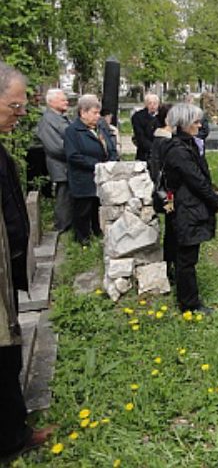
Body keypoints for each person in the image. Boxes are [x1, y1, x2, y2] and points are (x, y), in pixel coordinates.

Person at [0, 61, 56, 460]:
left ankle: (12, 433)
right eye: (14, 107)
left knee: (7, 358)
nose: (20, 116)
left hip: (7, 273)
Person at [162, 103, 218, 313]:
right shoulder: (179, 150)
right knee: (186, 258)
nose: (199, 125)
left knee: (186, 255)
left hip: (188, 206)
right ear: (184, 124)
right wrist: (215, 201)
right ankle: (189, 304)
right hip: (186, 209)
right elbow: (196, 180)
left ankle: (186, 296)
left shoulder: (186, 145)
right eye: (195, 122)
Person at [64, 94, 119, 246]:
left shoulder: (101, 127)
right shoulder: (72, 131)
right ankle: (82, 238)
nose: (98, 116)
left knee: (97, 206)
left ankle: (97, 231)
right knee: (83, 210)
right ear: (83, 112)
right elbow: (73, 156)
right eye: (94, 113)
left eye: (98, 113)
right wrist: (97, 164)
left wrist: (112, 161)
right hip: (83, 177)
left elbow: (111, 146)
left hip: (102, 176)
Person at [36, 88, 73, 233]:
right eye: (62, 99)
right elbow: (54, 147)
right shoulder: (47, 120)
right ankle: (61, 225)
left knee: (68, 193)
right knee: (63, 194)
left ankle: (68, 223)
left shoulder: (61, 117)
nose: (66, 101)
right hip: (60, 163)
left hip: (66, 162)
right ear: (51, 102)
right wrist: (74, 153)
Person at [147, 104, 176, 280]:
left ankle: (171, 262)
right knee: (172, 230)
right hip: (169, 192)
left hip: (169, 190)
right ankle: (169, 264)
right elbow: (159, 169)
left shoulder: (166, 138)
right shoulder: (164, 140)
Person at [131, 93, 159, 161]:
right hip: (144, 153)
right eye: (150, 103)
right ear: (146, 104)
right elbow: (140, 136)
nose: (152, 106)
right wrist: (153, 148)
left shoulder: (163, 115)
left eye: (155, 103)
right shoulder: (138, 117)